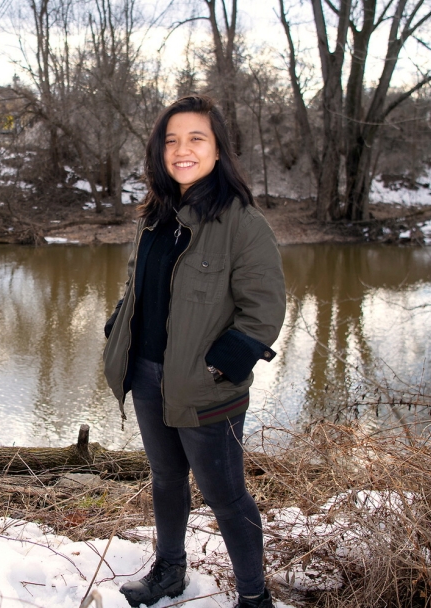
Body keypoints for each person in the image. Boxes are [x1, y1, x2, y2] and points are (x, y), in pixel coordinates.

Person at [102, 95, 285, 608]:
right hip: (148, 374)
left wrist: (220, 365)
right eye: (171, 139)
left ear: (219, 149)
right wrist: (119, 326)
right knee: (165, 478)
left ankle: (253, 596)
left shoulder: (242, 223)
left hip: (206, 386)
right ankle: (170, 573)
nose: (181, 150)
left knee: (227, 496)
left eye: (196, 138)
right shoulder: (156, 215)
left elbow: (264, 310)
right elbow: (140, 286)